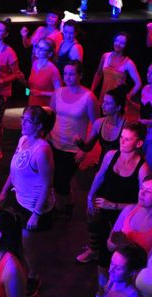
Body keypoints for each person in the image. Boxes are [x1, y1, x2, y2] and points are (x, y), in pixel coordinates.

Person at [80, 122, 149, 297]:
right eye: (121, 137)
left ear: (139, 143)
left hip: (124, 217)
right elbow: (100, 175)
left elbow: (142, 203)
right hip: (104, 211)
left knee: (120, 258)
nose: (122, 141)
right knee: (103, 254)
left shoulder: (143, 168)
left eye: (127, 139)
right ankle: (100, 294)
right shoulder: (111, 155)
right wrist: (90, 196)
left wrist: (114, 205)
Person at [0, 105, 55, 297]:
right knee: (16, 240)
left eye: (27, 121)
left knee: (28, 246)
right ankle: (18, 271)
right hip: (18, 198)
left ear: (39, 126)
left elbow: (47, 183)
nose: (22, 122)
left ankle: (33, 277)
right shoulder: (23, 139)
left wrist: (36, 214)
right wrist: (4, 189)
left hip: (33, 204)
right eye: (23, 118)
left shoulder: (42, 150)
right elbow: (15, 167)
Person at [49, 61, 98, 216]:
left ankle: (66, 205)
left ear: (80, 75)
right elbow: (51, 116)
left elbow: (97, 125)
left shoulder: (88, 97)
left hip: (72, 148)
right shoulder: (58, 92)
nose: (67, 77)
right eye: (65, 74)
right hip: (54, 142)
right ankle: (60, 206)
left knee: (62, 180)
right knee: (55, 179)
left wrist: (84, 150)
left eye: (71, 74)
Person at [0, 19, 23, 163]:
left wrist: (2, 81)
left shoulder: (9, 52)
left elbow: (17, 74)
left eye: (0, 30)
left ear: (6, 34)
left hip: (0, 92)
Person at [108, 175, 152, 256]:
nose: (142, 193)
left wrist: (127, 245)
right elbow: (109, 246)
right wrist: (116, 243)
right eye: (142, 188)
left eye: (148, 191)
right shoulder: (129, 210)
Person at [91, 32, 142, 119]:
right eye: (117, 41)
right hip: (104, 98)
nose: (118, 44)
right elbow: (98, 73)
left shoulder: (128, 63)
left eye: (122, 43)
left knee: (114, 124)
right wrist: (92, 90)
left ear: (126, 45)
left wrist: (128, 96)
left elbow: (138, 83)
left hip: (117, 102)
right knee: (102, 122)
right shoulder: (105, 56)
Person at [76, 85, 128, 166]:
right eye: (103, 102)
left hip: (119, 169)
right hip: (103, 166)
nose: (102, 105)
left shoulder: (127, 128)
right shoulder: (99, 123)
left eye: (107, 103)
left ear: (118, 107)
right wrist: (80, 143)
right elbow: (88, 148)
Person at [27, 38, 62, 107]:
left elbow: (59, 94)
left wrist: (41, 93)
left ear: (50, 54)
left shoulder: (53, 70)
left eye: (42, 49)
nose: (38, 50)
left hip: (45, 107)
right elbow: (31, 88)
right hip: (32, 105)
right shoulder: (35, 63)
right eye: (38, 47)